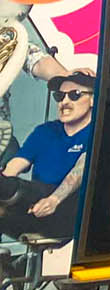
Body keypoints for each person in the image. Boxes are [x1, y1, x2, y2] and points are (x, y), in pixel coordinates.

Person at [0, 67, 94, 243]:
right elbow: (15, 166)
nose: (64, 101)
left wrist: (54, 200)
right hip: (35, 205)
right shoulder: (45, 131)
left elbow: (80, 171)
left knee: (31, 190)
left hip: (69, 212)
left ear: (93, 100)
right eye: (60, 96)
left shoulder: (97, 132)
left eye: (75, 95)